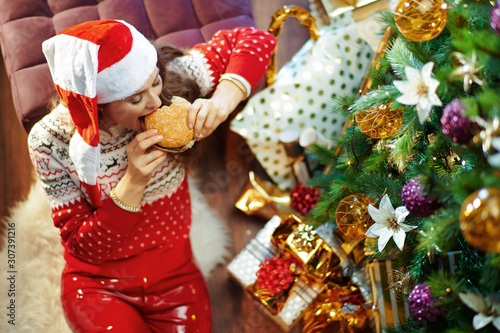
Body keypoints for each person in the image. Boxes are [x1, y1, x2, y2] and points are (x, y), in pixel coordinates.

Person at [28, 19, 275, 332]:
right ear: (97, 107)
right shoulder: (50, 141)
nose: (157, 102)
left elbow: (255, 38)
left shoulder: (173, 83)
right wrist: (133, 182)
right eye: (135, 99)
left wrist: (224, 101)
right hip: (100, 285)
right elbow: (82, 246)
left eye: (154, 82)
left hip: (176, 273)